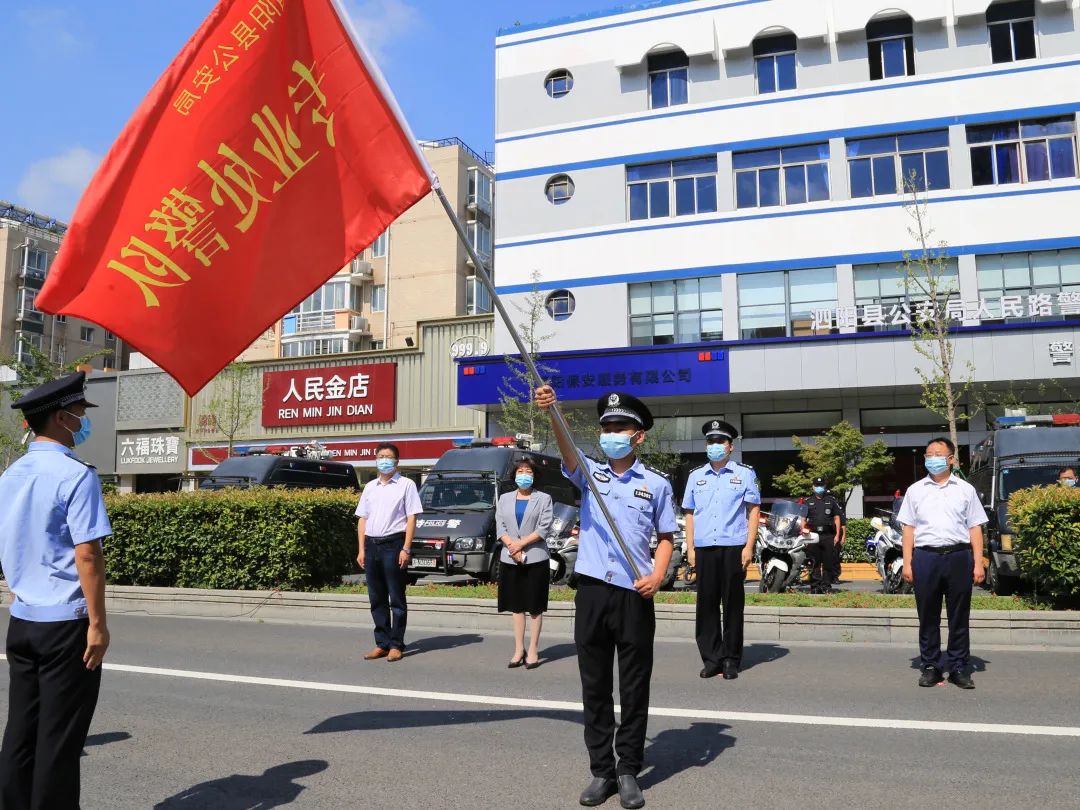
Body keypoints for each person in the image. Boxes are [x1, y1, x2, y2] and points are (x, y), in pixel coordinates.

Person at [534, 387, 676, 810]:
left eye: (621, 427)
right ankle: (602, 771)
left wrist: (657, 574)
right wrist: (553, 414)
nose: (612, 432)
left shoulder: (657, 485)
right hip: (593, 592)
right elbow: (569, 453)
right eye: (607, 427)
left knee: (633, 685)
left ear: (638, 437)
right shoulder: (590, 474)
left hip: (635, 594)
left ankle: (629, 768)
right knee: (595, 687)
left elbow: (666, 537)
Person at [0, 372, 111, 810]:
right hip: (66, 624)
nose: (84, 423)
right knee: (59, 738)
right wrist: (98, 625)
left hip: (22, 620)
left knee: (21, 732)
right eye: (81, 414)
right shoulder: (76, 475)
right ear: (62, 418)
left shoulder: (10, 475)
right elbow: (88, 555)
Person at [899, 437, 987, 689]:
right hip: (925, 557)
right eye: (928, 454)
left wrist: (978, 562)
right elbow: (908, 528)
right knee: (928, 614)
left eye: (938, 453)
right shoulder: (915, 490)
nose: (932, 458)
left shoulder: (965, 489)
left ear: (951, 459)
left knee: (959, 614)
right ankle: (931, 665)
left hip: (959, 556)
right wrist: (908, 562)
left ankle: (959, 666)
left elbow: (975, 527)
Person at [683, 419, 761, 681]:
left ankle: (730, 659)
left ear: (730, 447)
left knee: (732, 605)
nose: (714, 446)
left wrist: (749, 546)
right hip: (704, 548)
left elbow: (753, 511)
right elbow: (690, 514)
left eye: (719, 442)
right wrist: (690, 547)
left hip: (733, 548)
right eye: (710, 442)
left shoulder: (745, 474)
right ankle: (711, 658)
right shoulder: (696, 476)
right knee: (705, 605)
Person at [355, 442, 422, 663]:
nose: (384, 460)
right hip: (372, 544)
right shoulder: (370, 487)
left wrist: (406, 548)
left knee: (396, 598)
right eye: (381, 456)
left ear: (396, 461)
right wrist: (361, 549)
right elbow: (363, 519)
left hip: (394, 544)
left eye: (389, 457)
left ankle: (396, 644)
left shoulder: (406, 485)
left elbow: (412, 517)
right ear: (375, 459)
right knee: (376, 598)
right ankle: (381, 643)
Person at [495, 459, 554, 669]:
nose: (524, 475)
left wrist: (520, 545)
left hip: (536, 557)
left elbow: (544, 528)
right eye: (520, 471)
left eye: (528, 471)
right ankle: (519, 649)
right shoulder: (504, 498)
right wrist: (512, 547)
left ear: (534, 475)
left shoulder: (544, 499)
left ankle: (533, 650)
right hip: (510, 558)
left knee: (535, 607)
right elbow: (500, 526)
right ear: (514, 475)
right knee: (516, 606)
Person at [806, 477, 842, 594]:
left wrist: (837, 535)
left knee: (828, 562)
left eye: (821, 485)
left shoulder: (831, 501)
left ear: (825, 486)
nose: (819, 487)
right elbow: (802, 519)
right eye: (817, 485)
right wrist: (803, 534)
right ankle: (815, 586)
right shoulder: (808, 501)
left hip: (828, 535)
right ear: (813, 486)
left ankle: (826, 586)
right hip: (812, 536)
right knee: (814, 562)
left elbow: (837, 518)